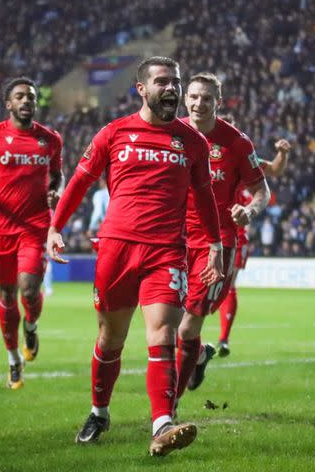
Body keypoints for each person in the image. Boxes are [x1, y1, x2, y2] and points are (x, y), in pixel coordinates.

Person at [47, 57, 223, 456]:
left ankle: (162, 423)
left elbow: (205, 197)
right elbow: (80, 180)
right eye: (162, 82)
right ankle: (99, 410)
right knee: (111, 339)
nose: (172, 89)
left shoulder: (193, 142)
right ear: (141, 89)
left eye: (175, 82)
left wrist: (214, 244)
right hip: (116, 248)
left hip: (167, 252)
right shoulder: (114, 133)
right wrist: (56, 226)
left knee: (162, 335)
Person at [174, 72, 270, 402]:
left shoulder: (237, 143)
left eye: (207, 98)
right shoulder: (170, 132)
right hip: (172, 241)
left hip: (215, 244)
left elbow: (262, 190)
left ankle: (167, 410)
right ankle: (199, 355)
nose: (200, 103)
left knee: (186, 328)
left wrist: (250, 211)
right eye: (195, 97)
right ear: (186, 98)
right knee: (167, 325)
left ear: (220, 101)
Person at [0, 77, 63, 389]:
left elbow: (57, 176)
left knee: (29, 289)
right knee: (7, 294)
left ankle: (30, 326)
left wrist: (54, 192)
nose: (26, 101)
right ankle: (12, 359)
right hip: (0, 229)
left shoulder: (50, 140)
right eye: (20, 96)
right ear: (9, 104)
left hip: (35, 226)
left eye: (31, 97)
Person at [217, 139, 291, 358]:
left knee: (228, 284)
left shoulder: (242, 157)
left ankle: (223, 339)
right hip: (199, 228)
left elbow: (274, 169)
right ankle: (188, 339)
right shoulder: (196, 151)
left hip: (236, 228)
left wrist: (282, 154)